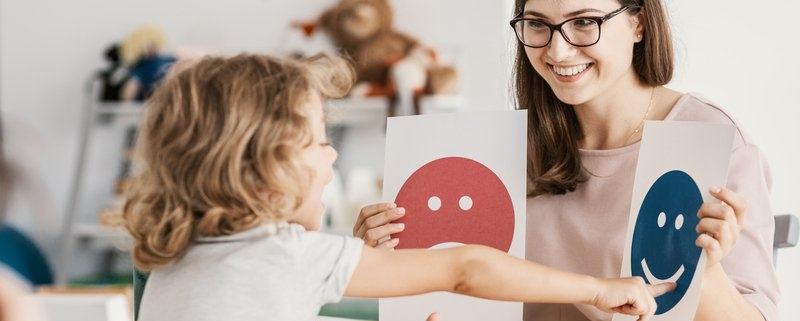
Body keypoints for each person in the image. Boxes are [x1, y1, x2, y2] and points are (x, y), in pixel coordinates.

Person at [120, 53, 673, 321]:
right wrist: (594, 289)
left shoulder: (171, 262)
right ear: (257, 170)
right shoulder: (288, 257)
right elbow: (464, 267)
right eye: (316, 141)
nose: (332, 152)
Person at [354, 0, 780, 320]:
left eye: (583, 22)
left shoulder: (709, 141)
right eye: (538, 24)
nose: (557, 51)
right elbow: (467, 285)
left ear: (639, 23)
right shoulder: (503, 148)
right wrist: (392, 258)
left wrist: (705, 272)